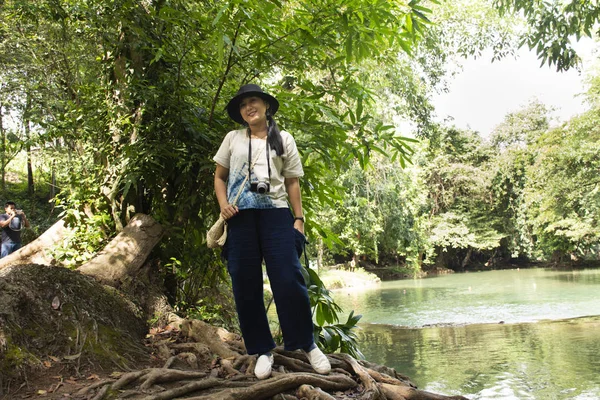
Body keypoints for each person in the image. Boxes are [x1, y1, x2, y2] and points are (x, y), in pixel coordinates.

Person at [213, 84, 331, 380]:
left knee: (288, 278)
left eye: (253, 102)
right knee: (244, 280)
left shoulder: (284, 139)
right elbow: (219, 177)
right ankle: (262, 350)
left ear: (266, 105)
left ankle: (306, 343)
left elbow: (292, 182)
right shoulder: (232, 138)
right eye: (243, 105)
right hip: (240, 217)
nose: (248, 108)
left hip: (277, 215)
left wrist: (299, 220)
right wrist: (224, 205)